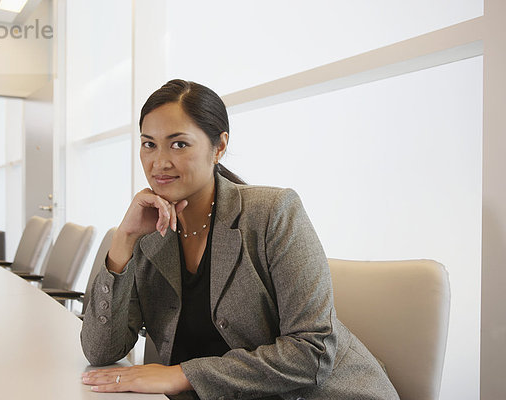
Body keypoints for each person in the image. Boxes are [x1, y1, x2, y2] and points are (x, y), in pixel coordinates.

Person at [80, 79, 399, 399]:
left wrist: (183, 375)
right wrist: (124, 241)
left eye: (179, 144)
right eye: (149, 144)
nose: (160, 162)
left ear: (219, 147)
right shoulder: (151, 234)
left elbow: (312, 352)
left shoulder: (273, 213)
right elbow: (100, 350)